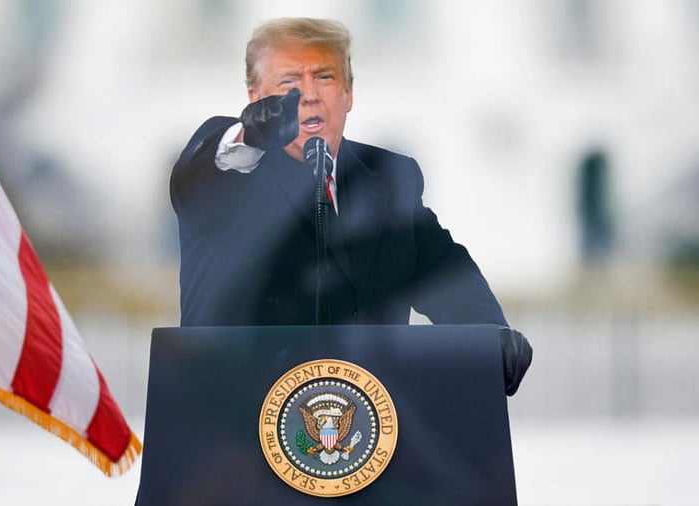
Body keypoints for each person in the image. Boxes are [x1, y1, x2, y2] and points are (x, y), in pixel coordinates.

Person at [170, 17, 530, 395]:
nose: (308, 95)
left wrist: (491, 337)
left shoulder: (391, 178)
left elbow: (444, 273)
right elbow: (207, 172)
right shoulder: (229, 165)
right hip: (230, 424)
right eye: (289, 83)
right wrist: (250, 135)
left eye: (324, 78)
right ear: (256, 98)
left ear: (348, 94)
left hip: (367, 431)